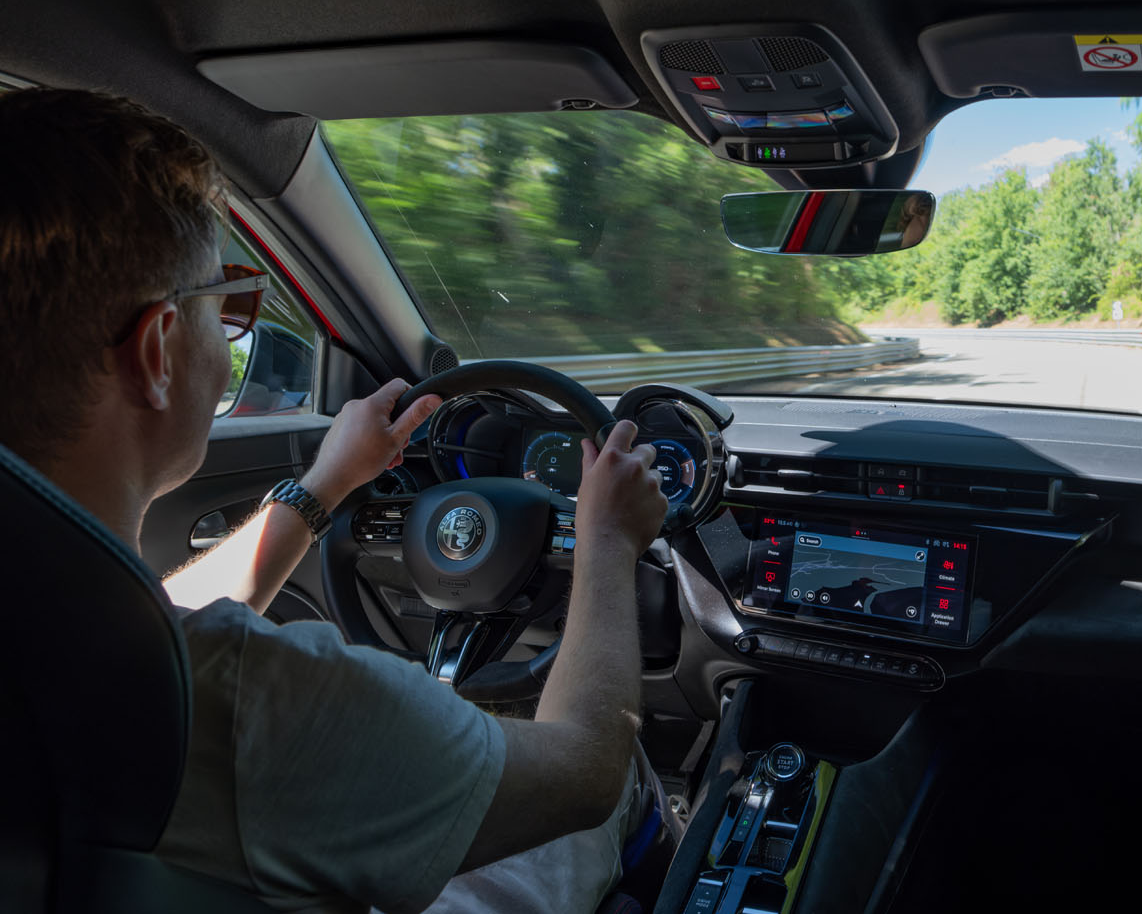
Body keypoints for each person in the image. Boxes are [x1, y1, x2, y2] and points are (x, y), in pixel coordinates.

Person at [0, 87, 669, 914]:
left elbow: (162, 629)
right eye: (229, 304)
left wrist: (326, 486)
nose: (234, 329)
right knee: (632, 778)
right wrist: (607, 541)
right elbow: (583, 770)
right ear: (159, 350)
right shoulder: (264, 703)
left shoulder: (57, 638)